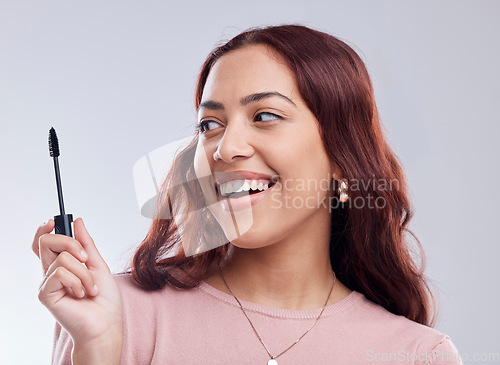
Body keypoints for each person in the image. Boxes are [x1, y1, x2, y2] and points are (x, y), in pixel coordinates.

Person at [33, 24, 463, 364]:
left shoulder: (416, 356)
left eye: (265, 115)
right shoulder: (115, 316)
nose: (225, 147)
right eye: (209, 125)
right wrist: (99, 350)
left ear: (342, 161)